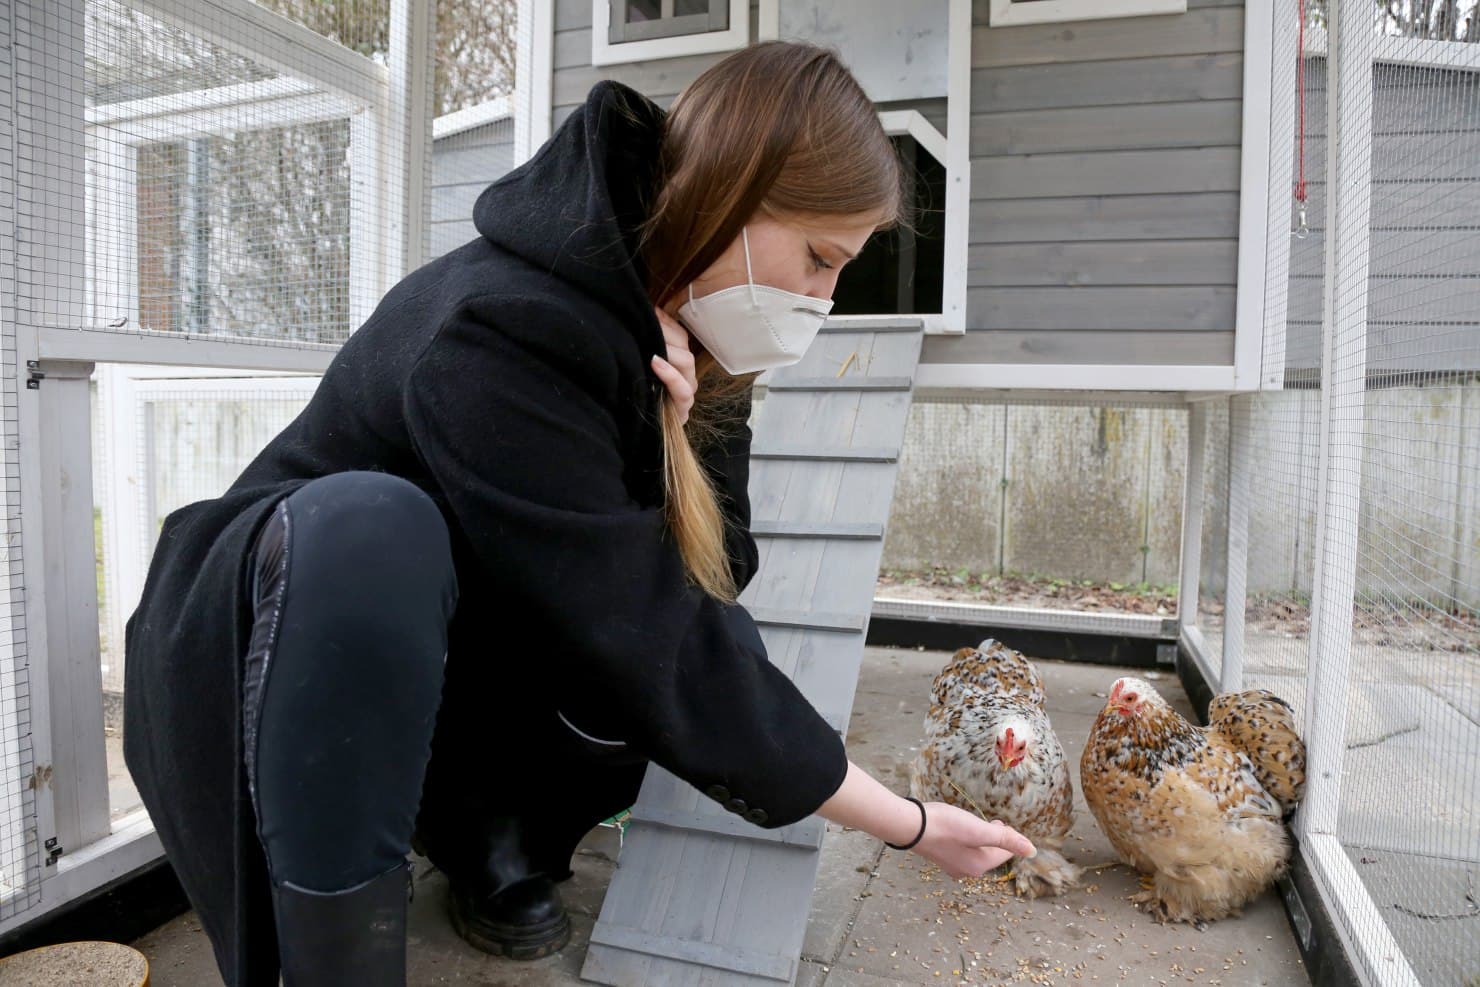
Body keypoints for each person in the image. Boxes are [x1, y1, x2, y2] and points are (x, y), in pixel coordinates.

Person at [122, 41, 1035, 987]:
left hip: (426, 656)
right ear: (731, 194)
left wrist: (688, 430)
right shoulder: (504, 329)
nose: (824, 300)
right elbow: (653, 638)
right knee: (387, 533)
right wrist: (905, 821)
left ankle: (488, 841)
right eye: (817, 258)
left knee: (623, 682)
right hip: (257, 645)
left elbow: (719, 578)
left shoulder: (682, 332)